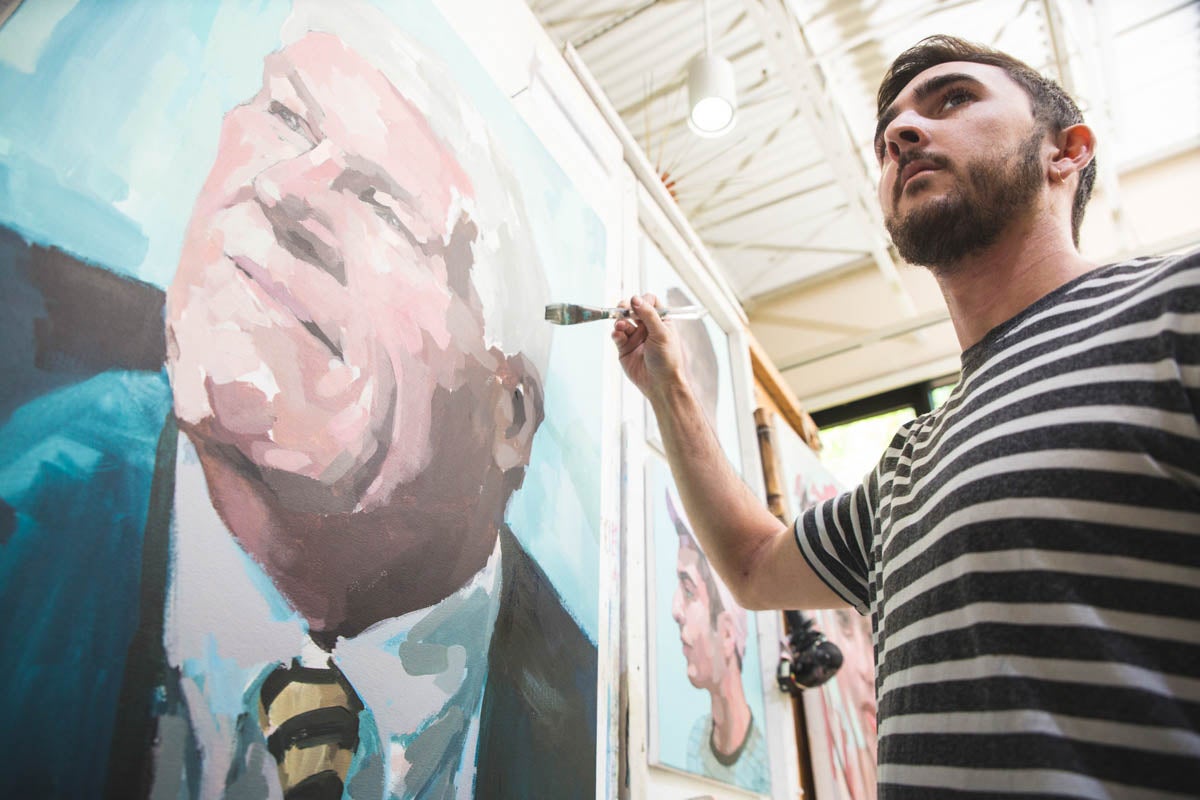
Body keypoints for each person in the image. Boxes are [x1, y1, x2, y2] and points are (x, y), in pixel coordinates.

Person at [0, 4, 595, 799]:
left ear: (509, 417)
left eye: (384, 204)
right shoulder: (25, 501)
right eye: (284, 118)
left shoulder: (581, 724)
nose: (284, 190)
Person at [614, 34, 1200, 798]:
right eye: (889, 129)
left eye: (954, 99)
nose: (899, 134)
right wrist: (671, 391)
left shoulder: (1174, 308)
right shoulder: (910, 460)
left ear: (1067, 151)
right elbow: (757, 567)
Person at [666, 489, 770, 793]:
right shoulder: (698, 738)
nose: (675, 610)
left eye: (688, 590)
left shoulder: (762, 770)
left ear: (726, 633)